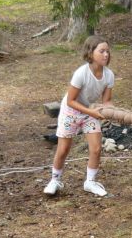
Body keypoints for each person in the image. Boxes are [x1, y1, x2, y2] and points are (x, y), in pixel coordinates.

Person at [43, 35, 114, 197]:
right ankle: (55, 180)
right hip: (71, 111)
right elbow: (70, 100)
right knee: (63, 149)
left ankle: (90, 182)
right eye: (102, 51)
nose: (106, 55)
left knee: (96, 148)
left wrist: (109, 111)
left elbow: (107, 100)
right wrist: (92, 112)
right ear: (90, 53)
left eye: (107, 52)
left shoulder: (109, 75)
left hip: (89, 112)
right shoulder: (81, 73)